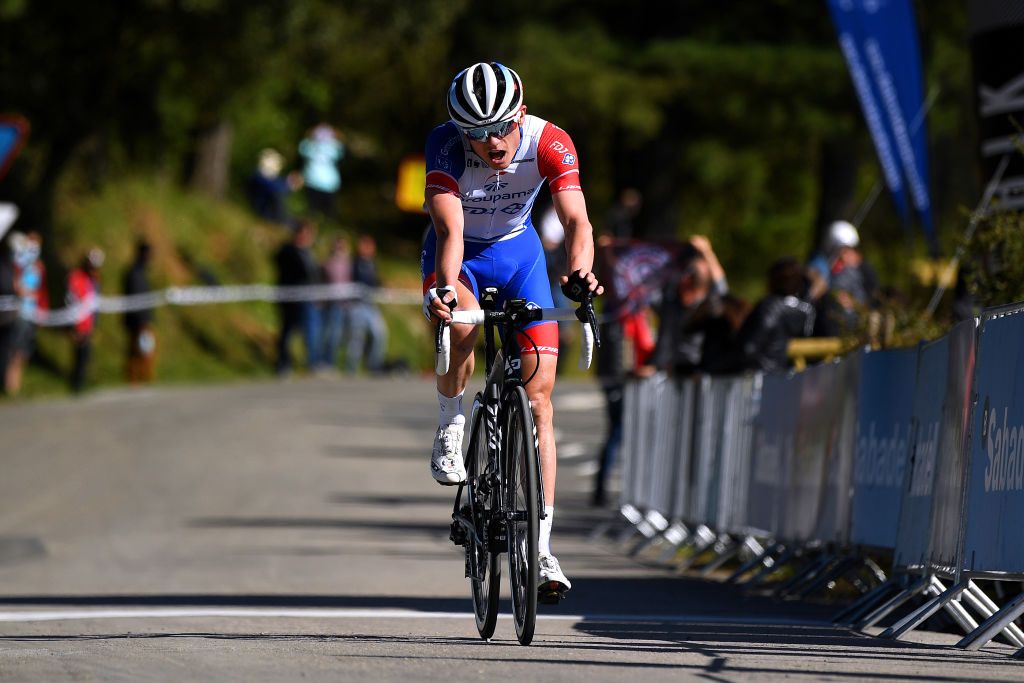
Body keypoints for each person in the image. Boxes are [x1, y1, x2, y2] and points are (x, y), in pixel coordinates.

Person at [422, 62, 602, 595]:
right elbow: (449, 228)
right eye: (476, 133)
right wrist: (448, 289)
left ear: (520, 114)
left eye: (501, 127)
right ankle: (451, 420)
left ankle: (541, 547)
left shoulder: (550, 141)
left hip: (519, 254)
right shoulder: (446, 147)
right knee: (463, 329)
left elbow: (577, 222)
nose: (492, 141)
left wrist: (580, 271)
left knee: (541, 400)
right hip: (463, 257)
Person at [643, 235, 735, 376]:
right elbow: (644, 290)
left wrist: (707, 252)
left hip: (695, 371)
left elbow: (721, 285)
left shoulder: (708, 304)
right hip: (666, 371)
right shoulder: (670, 303)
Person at [735, 256, 816, 373]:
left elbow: (749, 347)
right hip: (788, 376)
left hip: (759, 375)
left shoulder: (769, 307)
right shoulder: (807, 311)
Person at [273, 219, 320, 375]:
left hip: (308, 299)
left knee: (311, 330)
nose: (306, 237)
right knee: (287, 332)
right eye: (303, 233)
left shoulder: (309, 253)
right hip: (290, 298)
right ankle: (283, 364)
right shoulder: (287, 251)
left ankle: (311, 363)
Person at [5, 231, 48, 396]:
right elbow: (12, 284)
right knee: (13, 350)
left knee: (24, 351)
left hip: (32, 314)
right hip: (18, 313)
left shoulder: (39, 267)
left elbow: (42, 292)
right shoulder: (18, 264)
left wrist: (42, 310)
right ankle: (9, 385)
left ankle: (16, 387)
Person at [347, 234, 387, 374]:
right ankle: (351, 368)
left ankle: (374, 365)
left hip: (371, 304)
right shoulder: (354, 263)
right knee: (356, 338)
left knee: (379, 334)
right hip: (357, 305)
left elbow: (376, 282)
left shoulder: (373, 264)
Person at [67, 247, 104, 394]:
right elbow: (70, 299)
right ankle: (75, 384)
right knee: (78, 354)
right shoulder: (75, 276)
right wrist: (72, 325)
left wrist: (94, 322)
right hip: (77, 322)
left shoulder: (95, 280)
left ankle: (81, 383)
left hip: (88, 323)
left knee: (86, 355)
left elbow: (95, 303)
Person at [123, 239, 157, 383]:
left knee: (146, 349)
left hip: (144, 319)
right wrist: (141, 320)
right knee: (136, 350)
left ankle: (145, 377)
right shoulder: (134, 273)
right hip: (137, 320)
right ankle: (134, 378)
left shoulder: (142, 272)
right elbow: (134, 298)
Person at [298, 124, 345, 221]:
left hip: (324, 183)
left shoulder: (313, 146)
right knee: (319, 210)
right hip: (321, 183)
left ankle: (320, 227)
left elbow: (302, 146)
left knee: (318, 210)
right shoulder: (332, 147)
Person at [319, 234, 352, 370]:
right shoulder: (329, 263)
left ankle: (334, 362)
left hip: (346, 304)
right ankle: (326, 362)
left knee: (340, 336)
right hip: (333, 304)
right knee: (331, 334)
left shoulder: (349, 264)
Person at [246, 148, 301, 225]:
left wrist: (290, 181)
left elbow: (278, 183)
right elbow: (276, 189)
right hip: (264, 215)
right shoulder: (258, 177)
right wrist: (289, 185)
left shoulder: (267, 178)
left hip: (271, 215)